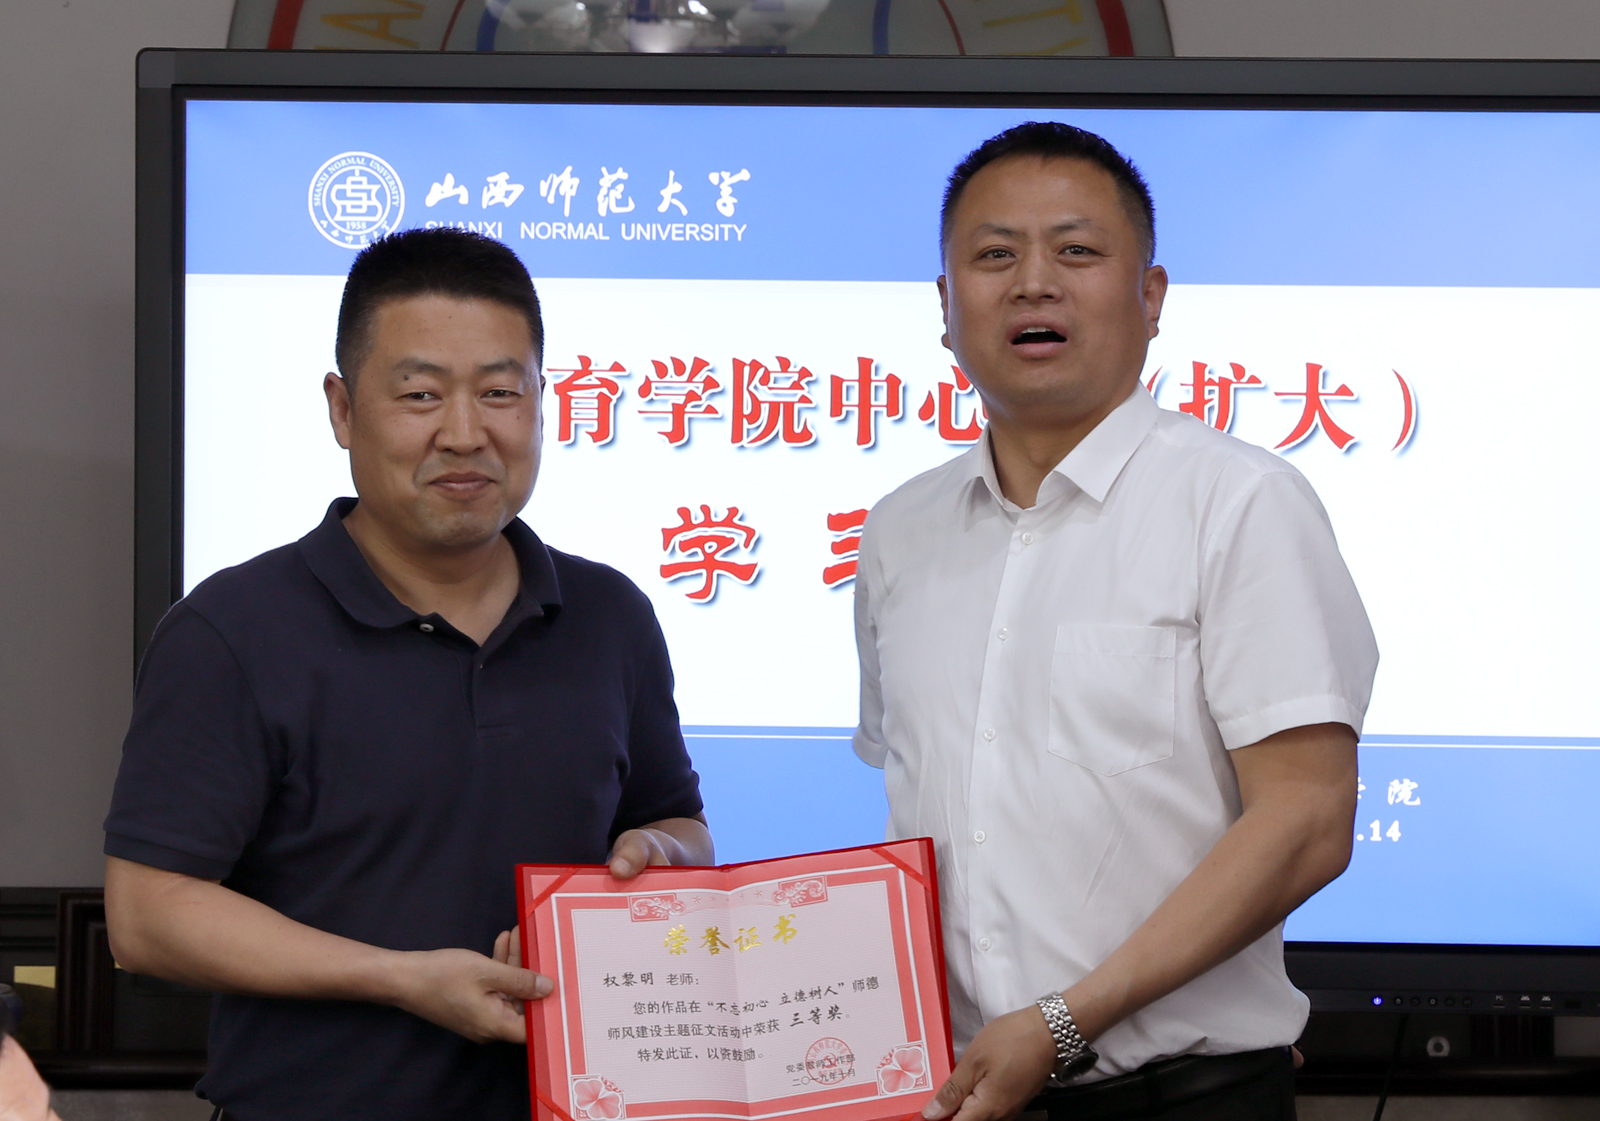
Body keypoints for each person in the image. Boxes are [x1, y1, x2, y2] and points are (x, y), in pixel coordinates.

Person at [102, 228, 712, 1121]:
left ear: (542, 402)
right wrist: (400, 978)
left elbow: (677, 822)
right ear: (343, 409)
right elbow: (147, 915)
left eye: (500, 392)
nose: (465, 434)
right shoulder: (231, 629)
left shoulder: (610, 614)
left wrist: (661, 853)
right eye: (421, 394)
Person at [851, 122, 1379, 1121]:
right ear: (944, 307)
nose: (1032, 283)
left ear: (1151, 296)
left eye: (1077, 250)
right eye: (994, 255)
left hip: (1183, 1099)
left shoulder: (1238, 503)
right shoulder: (899, 531)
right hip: (964, 1093)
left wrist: (1061, 1021)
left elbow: (1307, 818)